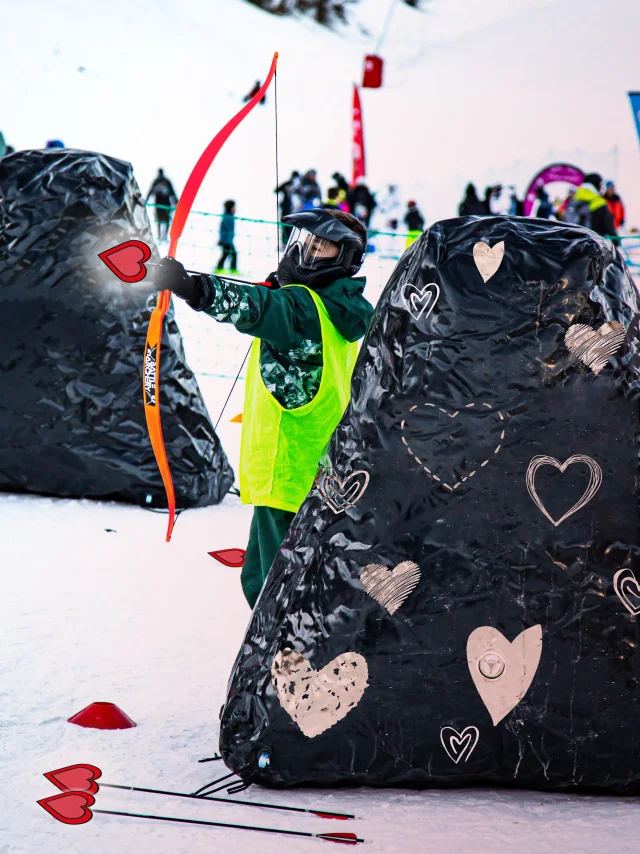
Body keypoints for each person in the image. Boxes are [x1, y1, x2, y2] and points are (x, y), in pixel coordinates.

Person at [154, 208, 374, 607]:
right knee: (263, 576)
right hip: (316, 471)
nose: (304, 253)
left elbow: (253, 305)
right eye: (303, 243)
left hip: (288, 473)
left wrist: (191, 287)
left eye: (319, 248)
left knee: (277, 592)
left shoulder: (304, 310)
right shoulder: (337, 308)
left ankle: (283, 659)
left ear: (342, 259)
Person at [566, 172, 616, 237]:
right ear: (596, 185)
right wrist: (616, 242)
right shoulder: (599, 203)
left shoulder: (572, 201)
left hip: (575, 243)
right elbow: (609, 226)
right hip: (595, 243)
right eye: (600, 185)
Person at [146, 168, 178, 242]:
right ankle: (160, 236)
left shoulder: (166, 182)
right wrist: (146, 200)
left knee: (166, 220)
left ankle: (165, 236)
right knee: (159, 220)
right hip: (158, 205)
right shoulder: (156, 182)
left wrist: (176, 202)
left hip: (166, 205)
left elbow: (172, 192)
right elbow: (150, 192)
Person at [216, 200, 238, 274]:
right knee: (230, 254)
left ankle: (227, 268)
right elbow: (223, 230)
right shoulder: (227, 218)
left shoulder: (230, 217)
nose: (235, 209)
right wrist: (222, 239)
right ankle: (223, 268)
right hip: (226, 241)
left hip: (229, 240)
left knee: (227, 254)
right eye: (233, 207)